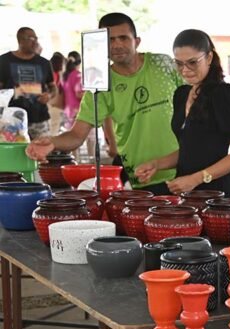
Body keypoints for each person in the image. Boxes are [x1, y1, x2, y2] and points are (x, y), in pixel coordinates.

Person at [25, 13, 184, 194]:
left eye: (123, 38)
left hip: (185, 171)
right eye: (110, 40)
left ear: (137, 41)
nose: (116, 45)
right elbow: (77, 135)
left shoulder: (163, 64)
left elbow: (195, 101)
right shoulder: (99, 85)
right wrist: (53, 143)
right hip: (143, 176)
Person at [134, 29, 230, 198]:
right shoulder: (181, 94)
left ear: (209, 58)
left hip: (217, 195)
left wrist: (196, 179)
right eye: (179, 63)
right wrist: (157, 164)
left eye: (192, 62)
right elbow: (191, 150)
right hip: (186, 193)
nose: (185, 70)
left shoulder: (223, 94)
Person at [0, 27, 56, 140]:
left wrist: (49, 95)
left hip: (40, 119)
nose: (35, 42)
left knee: (42, 154)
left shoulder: (44, 63)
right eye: (31, 38)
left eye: (36, 38)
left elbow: (53, 87)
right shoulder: (4, 61)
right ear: (20, 40)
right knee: (14, 154)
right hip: (11, 121)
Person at [61, 51, 83, 130]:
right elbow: (79, 94)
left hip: (67, 111)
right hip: (77, 111)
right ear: (80, 62)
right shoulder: (78, 75)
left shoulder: (64, 76)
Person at [48, 51, 65, 132]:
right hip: (51, 104)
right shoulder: (54, 75)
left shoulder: (56, 74)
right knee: (53, 127)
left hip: (52, 104)